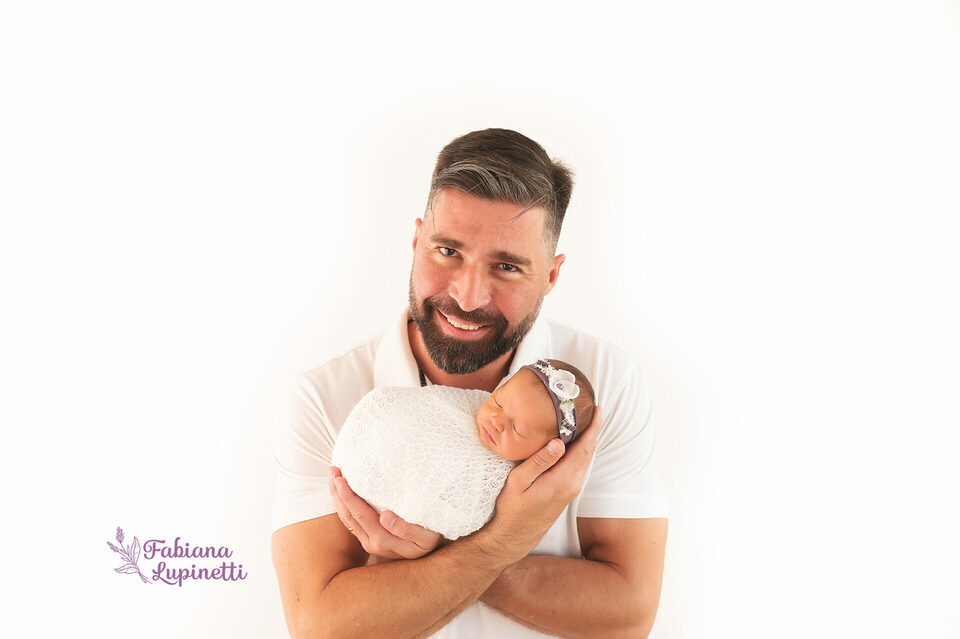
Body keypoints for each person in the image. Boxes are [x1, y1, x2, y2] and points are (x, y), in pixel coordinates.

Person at [271, 128, 669, 639]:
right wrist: (499, 542)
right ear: (417, 241)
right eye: (447, 251)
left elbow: (629, 614)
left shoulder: (605, 383)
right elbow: (320, 626)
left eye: (506, 266)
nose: (467, 296)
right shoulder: (323, 398)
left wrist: (439, 551)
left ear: (550, 276)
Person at [330, 359, 596, 541]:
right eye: (499, 402)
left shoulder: (511, 480)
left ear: (546, 451)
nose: (496, 421)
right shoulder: (471, 404)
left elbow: (470, 515)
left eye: (517, 430)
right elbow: (427, 407)